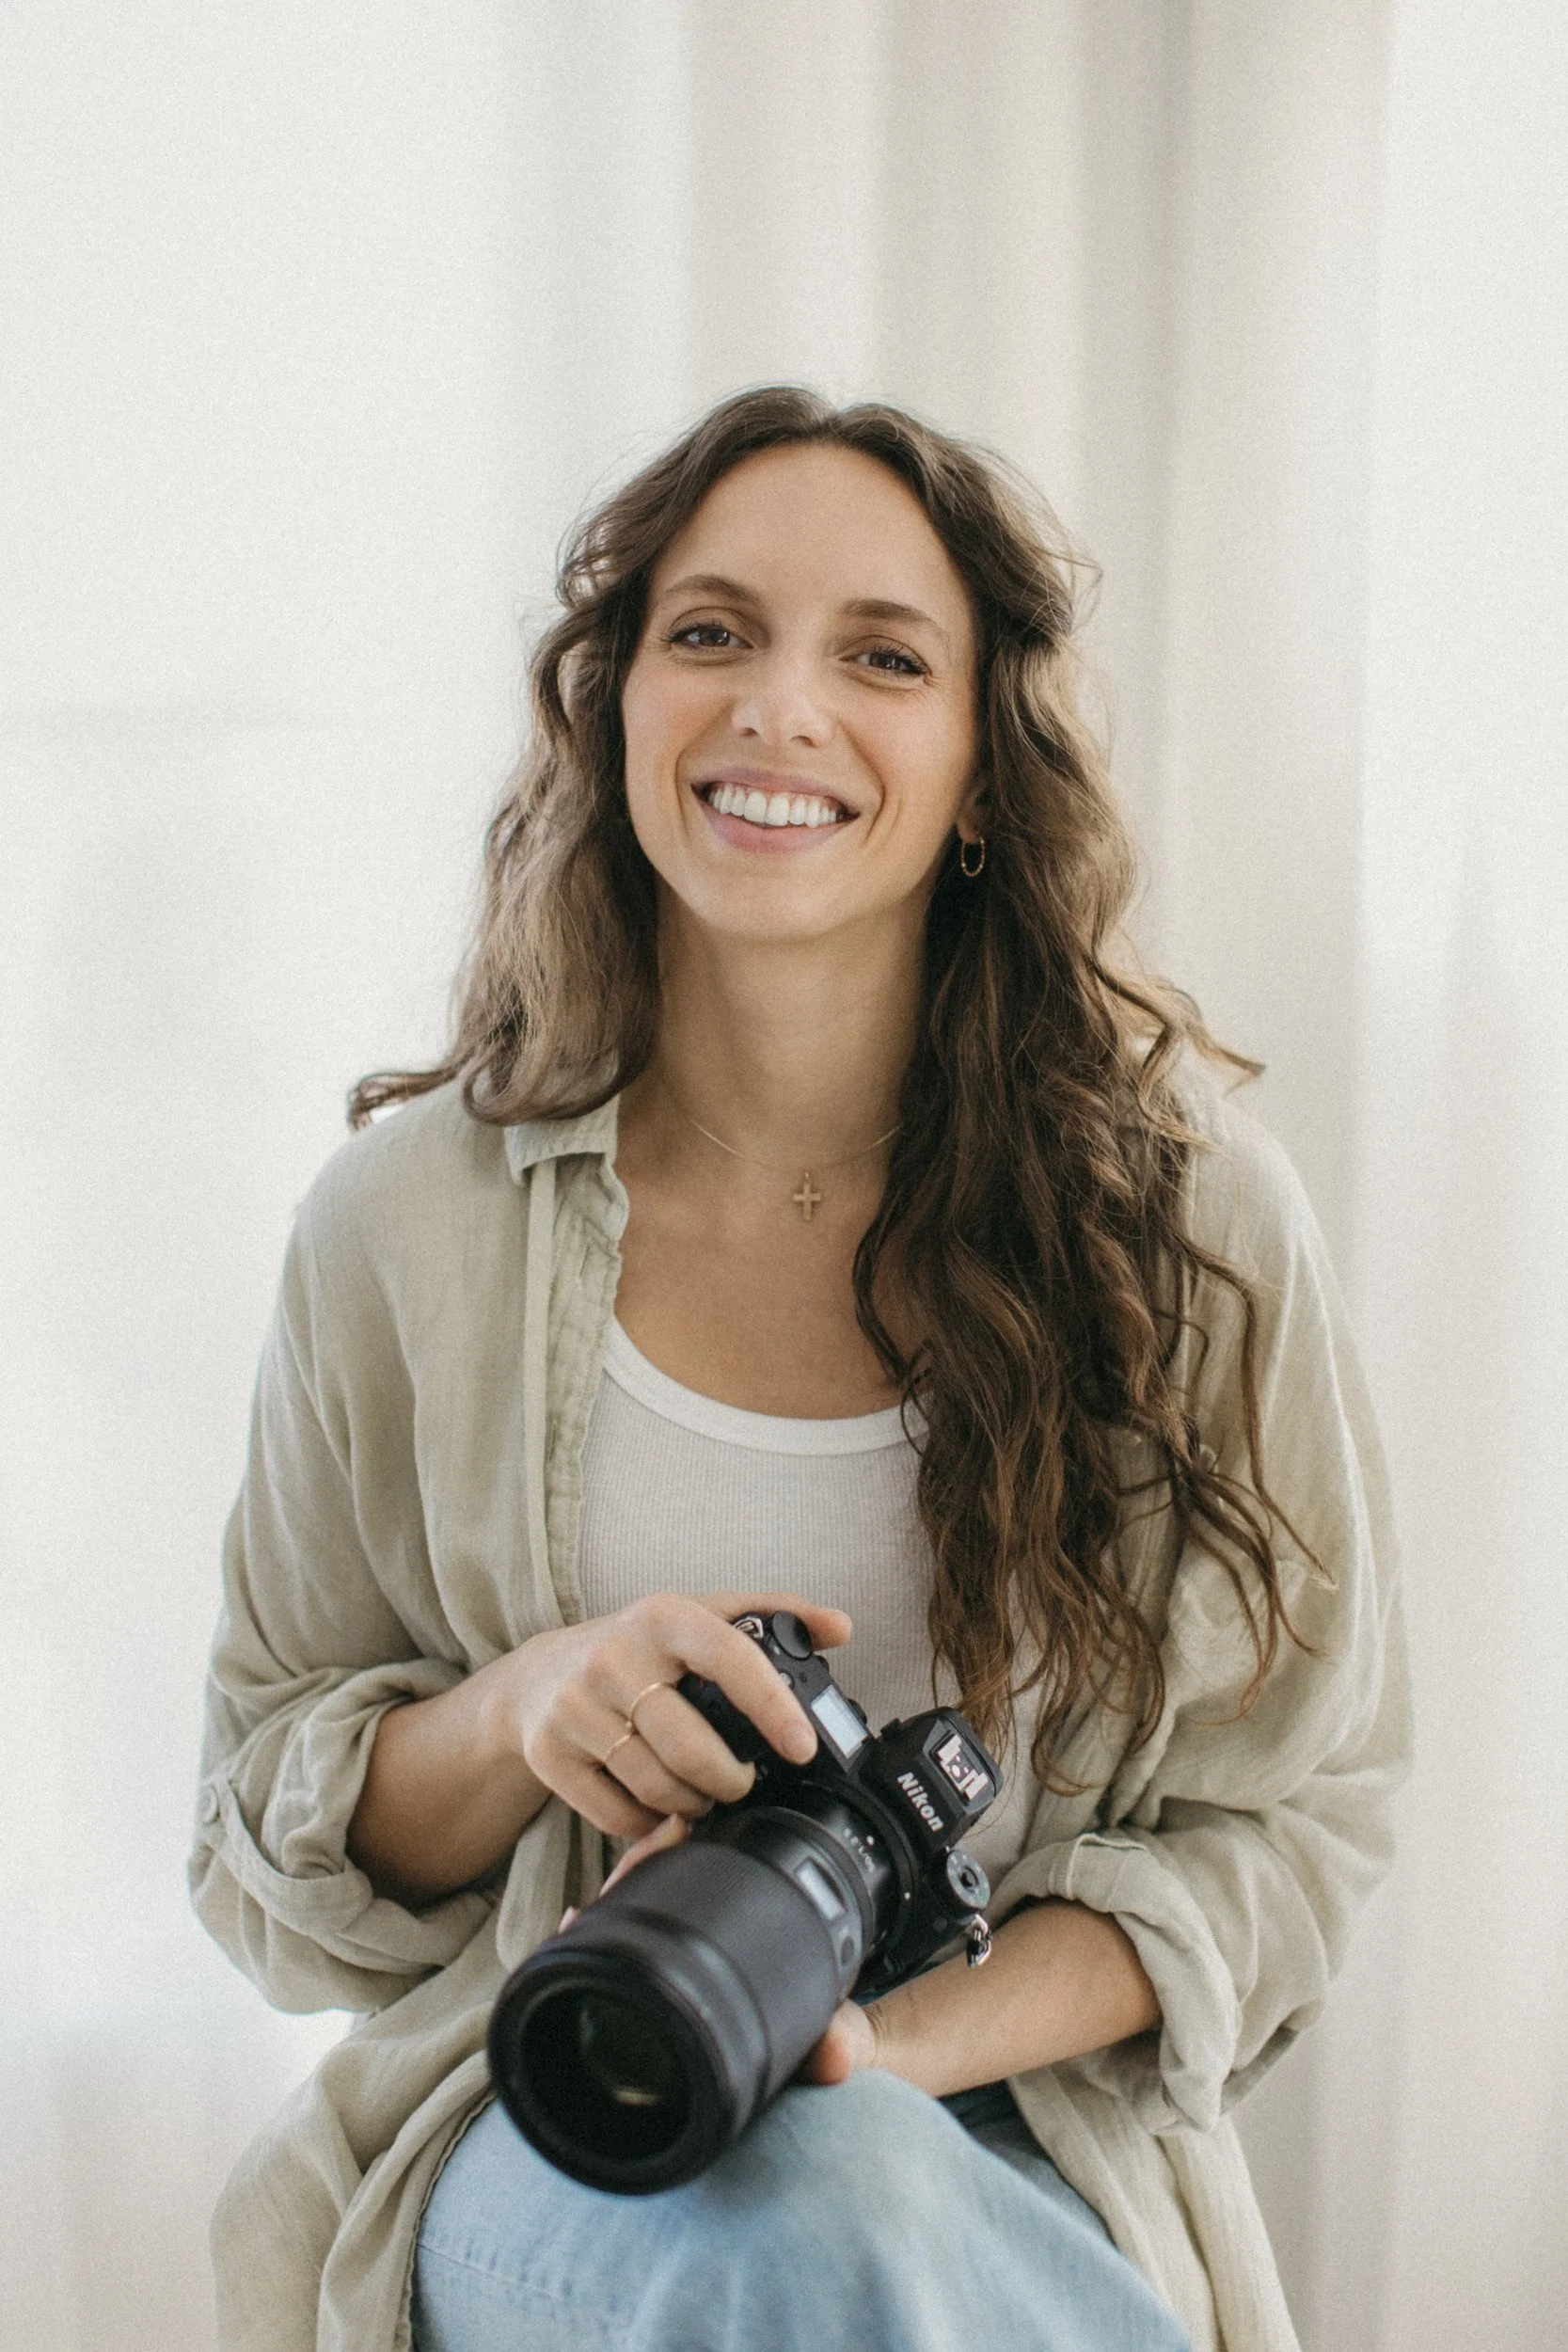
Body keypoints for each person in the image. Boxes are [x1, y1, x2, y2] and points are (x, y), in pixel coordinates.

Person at [190, 387, 1409, 2352]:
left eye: (880, 656)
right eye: (709, 632)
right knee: (818, 2225)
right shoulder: (403, 1228)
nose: (777, 707)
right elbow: (262, 1833)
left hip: (1012, 2124)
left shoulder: (1185, 1227)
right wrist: (530, 1711)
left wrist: (874, 2037)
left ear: (979, 765)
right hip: (552, 2108)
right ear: (614, 710)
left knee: (847, 2197)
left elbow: (1289, 1827)